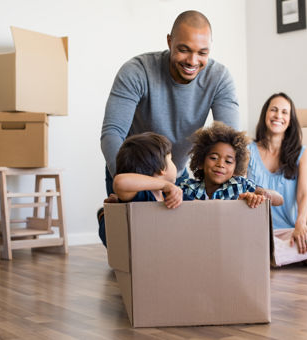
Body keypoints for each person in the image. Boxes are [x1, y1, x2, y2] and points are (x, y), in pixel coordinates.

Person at [100, 10, 240, 196]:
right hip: (132, 175)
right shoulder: (137, 71)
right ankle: (105, 218)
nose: (192, 61)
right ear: (169, 41)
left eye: (202, 53)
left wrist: (238, 189)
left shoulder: (219, 79)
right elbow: (112, 133)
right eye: (184, 50)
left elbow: (231, 142)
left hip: (176, 175)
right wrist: (126, 182)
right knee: (121, 225)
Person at [247, 92, 307, 268]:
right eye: (273, 110)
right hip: (255, 231)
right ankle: (303, 255)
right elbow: (238, 190)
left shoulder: (303, 154)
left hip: (289, 232)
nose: (278, 116)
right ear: (265, 114)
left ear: (290, 120)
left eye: (284, 112)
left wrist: (301, 223)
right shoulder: (247, 150)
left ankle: (273, 256)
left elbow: (304, 195)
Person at [98, 132, 183, 247]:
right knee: (111, 226)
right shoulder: (142, 196)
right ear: (162, 168)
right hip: (129, 245)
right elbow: (120, 181)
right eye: (171, 159)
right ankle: (103, 215)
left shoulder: (169, 195)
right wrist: (164, 185)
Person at [179, 121, 283, 207]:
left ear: (236, 169)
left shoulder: (240, 186)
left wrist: (262, 195)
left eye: (228, 161)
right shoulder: (188, 188)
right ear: (201, 162)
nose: (220, 164)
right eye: (214, 158)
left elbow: (279, 199)